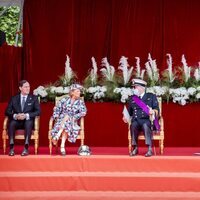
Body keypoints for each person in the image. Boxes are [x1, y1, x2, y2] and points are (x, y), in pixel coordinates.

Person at [123, 78, 159, 157]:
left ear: (141, 87)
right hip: (136, 120)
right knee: (133, 125)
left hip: (146, 120)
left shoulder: (151, 96)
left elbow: (157, 109)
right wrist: (126, 118)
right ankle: (135, 148)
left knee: (146, 125)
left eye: (135, 87)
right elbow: (130, 113)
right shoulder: (132, 98)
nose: (134, 89)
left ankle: (149, 148)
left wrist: (153, 112)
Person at [5, 80, 41, 156]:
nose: (28, 88)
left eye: (29, 87)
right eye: (25, 87)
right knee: (11, 123)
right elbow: (7, 111)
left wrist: (26, 115)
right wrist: (15, 116)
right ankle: (11, 148)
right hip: (17, 121)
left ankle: (26, 148)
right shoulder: (14, 98)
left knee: (28, 123)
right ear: (20, 88)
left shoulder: (34, 98)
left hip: (28, 121)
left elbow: (38, 111)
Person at [51, 84, 87, 156]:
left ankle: (57, 136)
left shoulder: (80, 102)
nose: (79, 92)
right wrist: (56, 117)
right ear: (72, 92)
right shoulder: (64, 100)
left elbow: (84, 112)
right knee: (66, 121)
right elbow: (57, 109)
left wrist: (73, 117)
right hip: (61, 120)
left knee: (68, 120)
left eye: (79, 91)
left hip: (72, 122)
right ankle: (62, 146)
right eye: (78, 91)